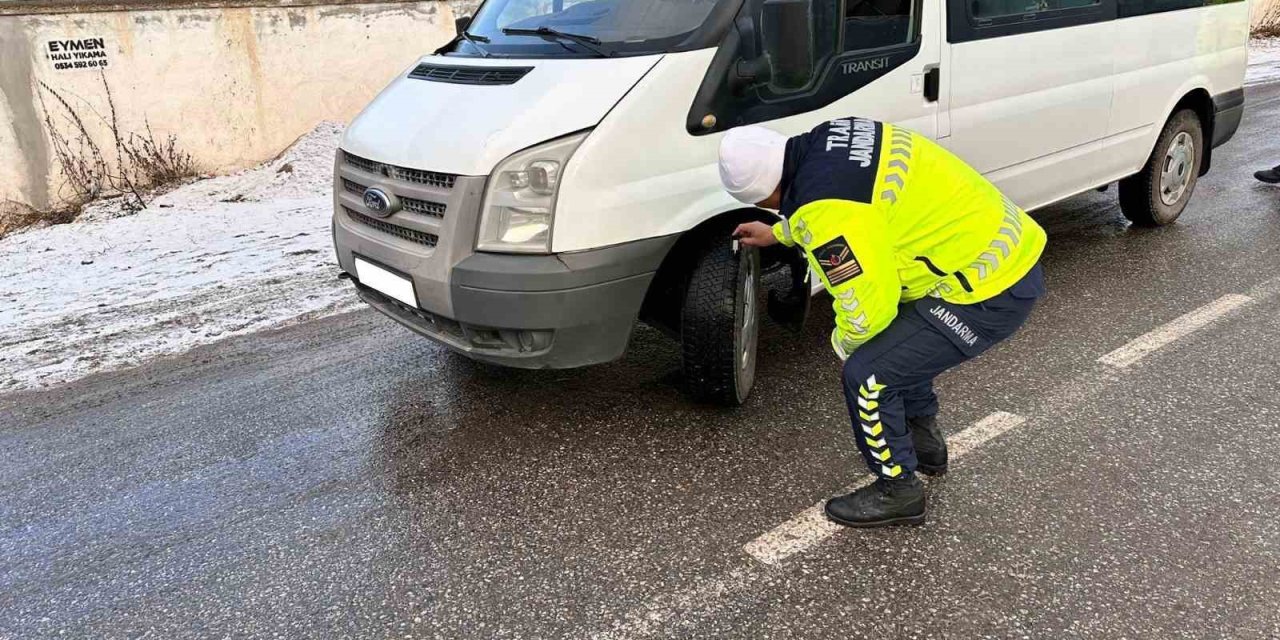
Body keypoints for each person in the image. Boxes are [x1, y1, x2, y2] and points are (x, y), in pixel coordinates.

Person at [719, 118, 1047, 528]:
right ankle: (924, 444)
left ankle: (899, 490)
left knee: (870, 374)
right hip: (998, 252)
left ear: (767, 192)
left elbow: (866, 310)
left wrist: (843, 344)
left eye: (768, 204)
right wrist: (781, 233)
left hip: (986, 291)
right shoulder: (834, 136)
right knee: (901, 348)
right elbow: (846, 206)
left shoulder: (828, 212)